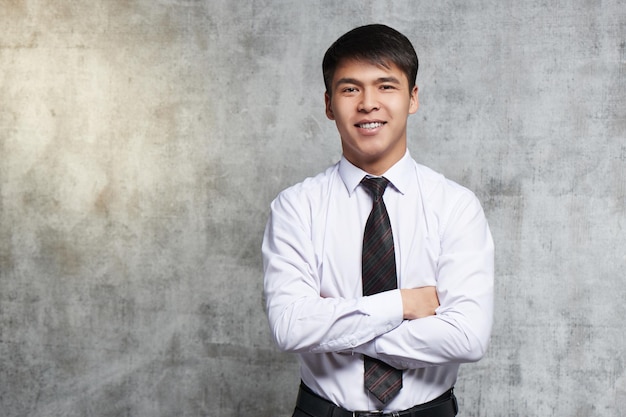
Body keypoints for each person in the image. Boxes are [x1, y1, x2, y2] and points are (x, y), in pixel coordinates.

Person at [262, 24, 494, 417]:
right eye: (350, 89)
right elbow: (289, 327)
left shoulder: (456, 206)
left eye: (386, 86)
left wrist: (336, 328)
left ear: (412, 98)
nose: (368, 103)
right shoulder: (296, 207)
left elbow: (467, 337)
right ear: (328, 104)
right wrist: (403, 303)